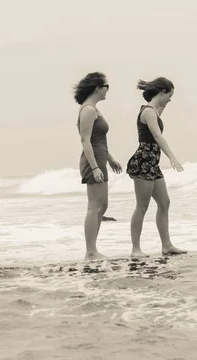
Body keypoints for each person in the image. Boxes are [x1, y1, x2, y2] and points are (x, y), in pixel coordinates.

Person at [126, 77, 187, 257]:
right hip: (143, 161)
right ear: (162, 92)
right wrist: (172, 156)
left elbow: (161, 108)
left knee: (164, 202)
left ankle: (166, 245)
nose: (170, 99)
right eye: (169, 95)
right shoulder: (148, 112)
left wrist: (161, 99)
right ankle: (135, 249)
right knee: (142, 205)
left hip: (152, 162)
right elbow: (157, 136)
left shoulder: (153, 110)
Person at [74, 72, 123, 260]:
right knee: (94, 206)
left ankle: (93, 249)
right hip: (92, 160)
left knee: (103, 205)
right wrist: (94, 167)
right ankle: (90, 251)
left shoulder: (94, 109)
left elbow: (99, 139)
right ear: (97, 88)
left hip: (100, 158)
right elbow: (85, 140)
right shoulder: (87, 109)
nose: (107, 90)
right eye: (106, 86)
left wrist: (110, 158)